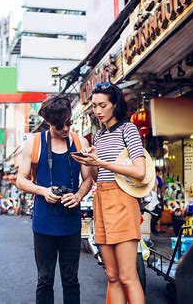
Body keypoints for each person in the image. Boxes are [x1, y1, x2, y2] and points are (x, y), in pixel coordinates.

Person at [71, 82, 146, 304]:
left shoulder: (128, 129)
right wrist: (90, 160)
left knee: (127, 276)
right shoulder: (100, 136)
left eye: (102, 105)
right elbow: (96, 176)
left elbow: (140, 171)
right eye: (94, 106)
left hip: (122, 199)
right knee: (112, 276)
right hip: (101, 200)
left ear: (115, 104)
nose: (97, 111)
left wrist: (102, 161)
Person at [16, 95, 93, 304]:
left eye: (69, 123)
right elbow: (20, 181)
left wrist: (78, 196)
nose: (66, 129)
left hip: (71, 222)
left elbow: (88, 179)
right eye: (60, 126)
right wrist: (43, 191)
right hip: (44, 223)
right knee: (45, 279)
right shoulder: (34, 143)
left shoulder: (80, 141)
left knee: (71, 280)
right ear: (49, 122)